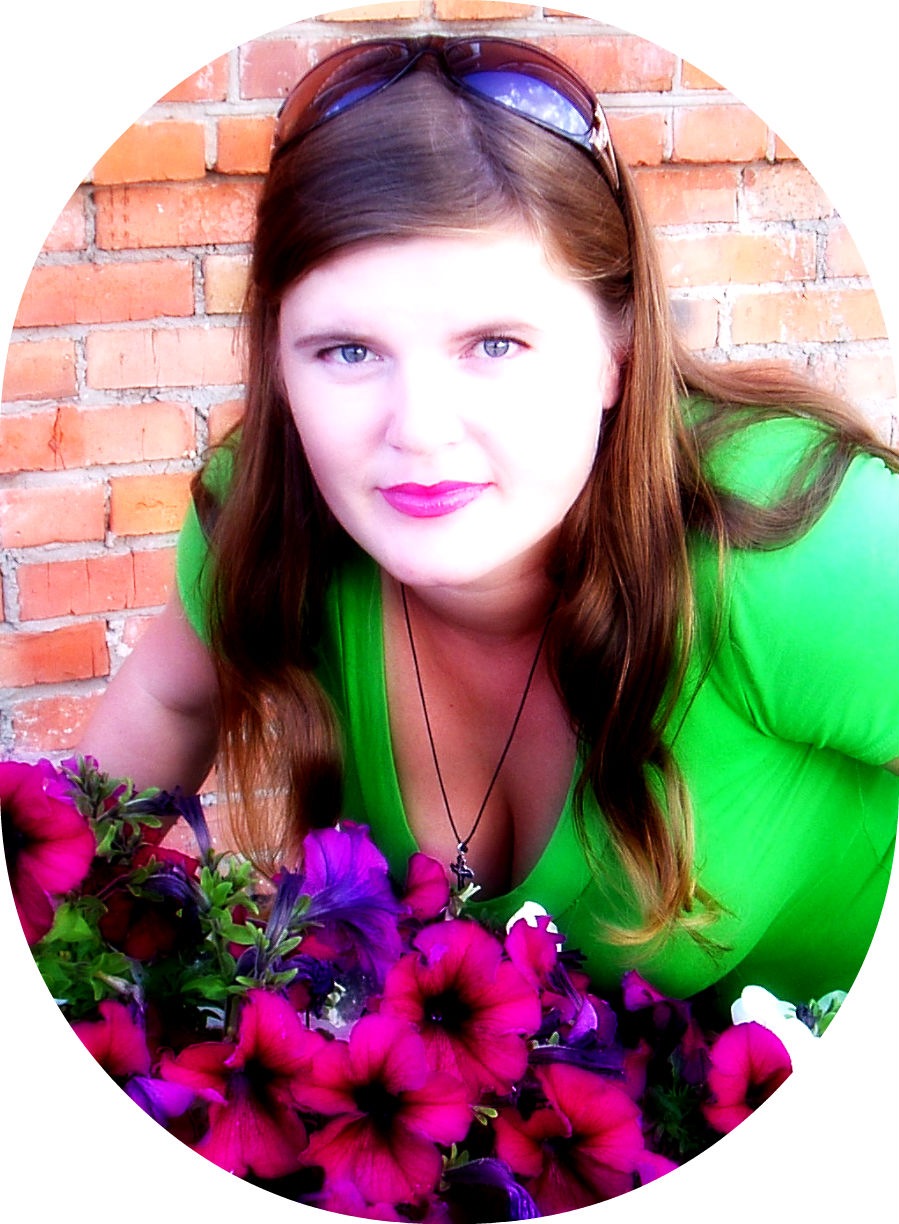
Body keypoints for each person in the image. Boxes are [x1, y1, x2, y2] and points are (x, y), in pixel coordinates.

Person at [78, 36, 899, 1012]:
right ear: (278, 365)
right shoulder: (269, 516)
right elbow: (166, 706)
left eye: (495, 344)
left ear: (616, 354)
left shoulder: (792, 541)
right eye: (347, 352)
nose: (419, 431)